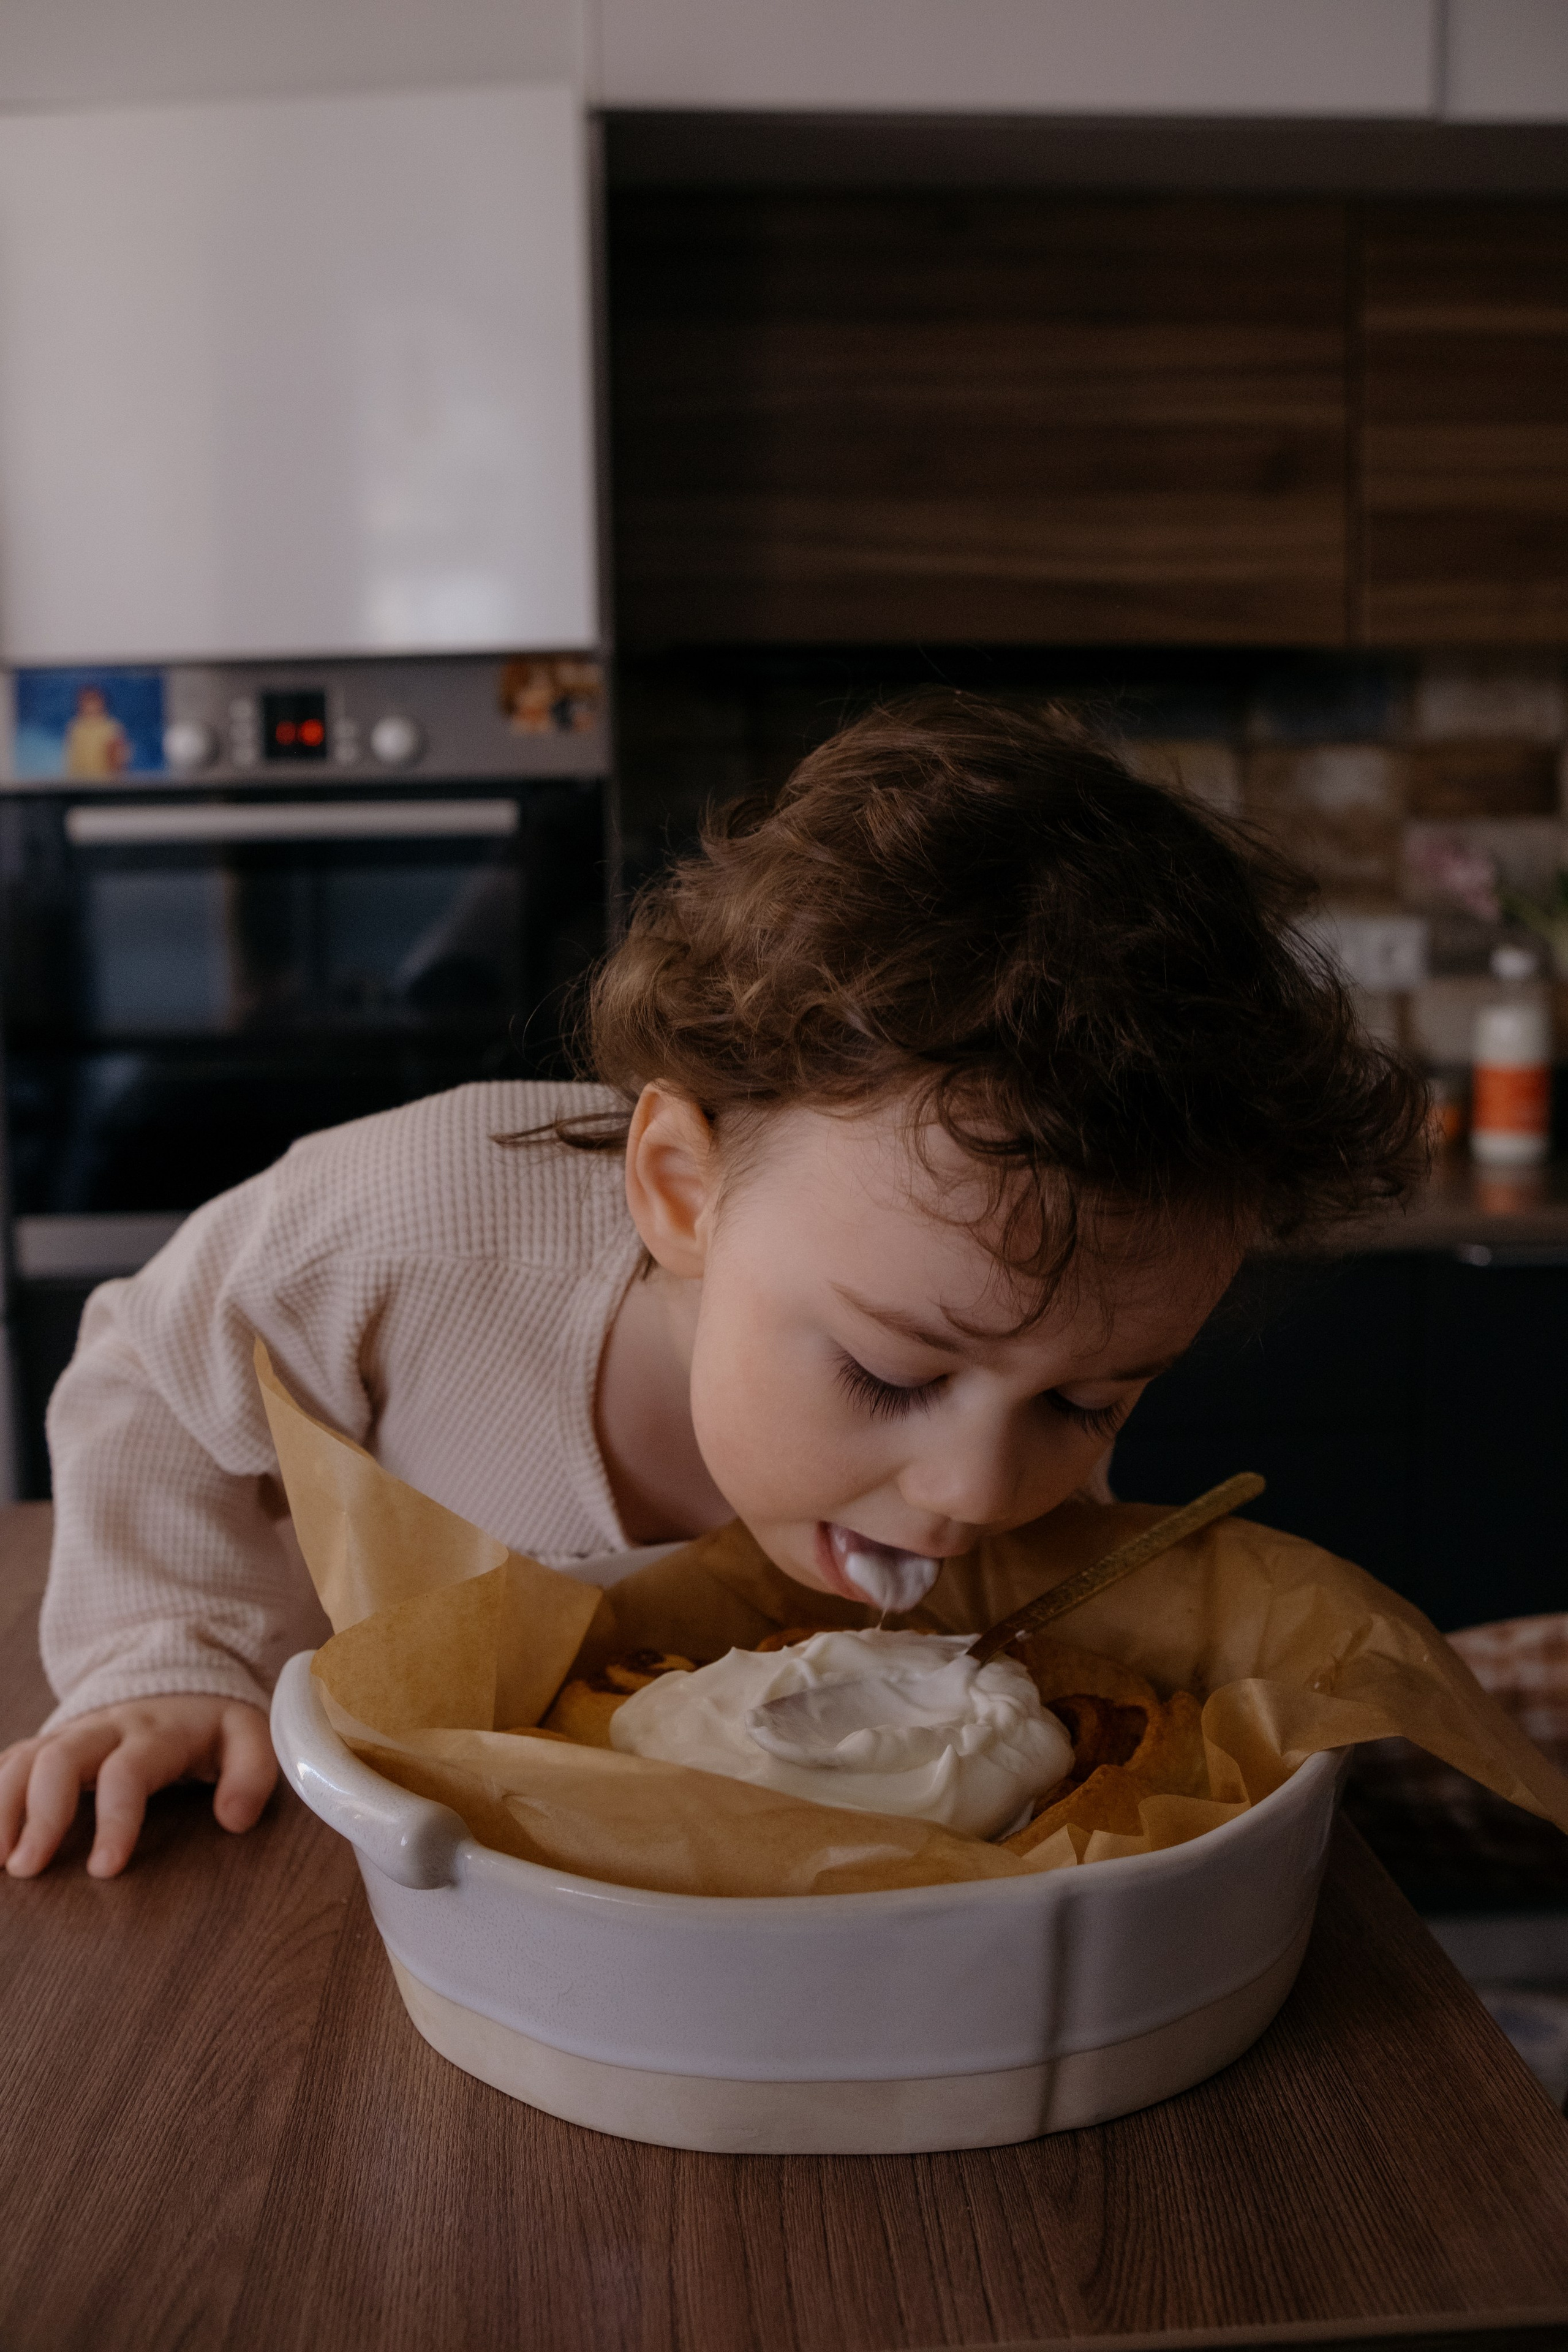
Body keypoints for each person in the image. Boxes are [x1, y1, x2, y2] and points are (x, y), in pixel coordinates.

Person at [0, 694, 1426, 1879]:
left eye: (1088, 1406)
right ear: (681, 1190)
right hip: (339, 1860)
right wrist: (165, 1658)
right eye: (890, 1374)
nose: (976, 1493)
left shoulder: (994, 1352)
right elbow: (148, 1371)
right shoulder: (407, 1229)